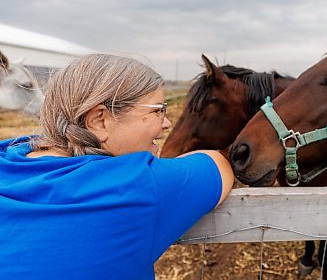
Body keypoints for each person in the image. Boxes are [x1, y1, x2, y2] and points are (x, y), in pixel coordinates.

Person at [0, 54, 234, 279]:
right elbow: (218, 163)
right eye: (157, 110)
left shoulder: (8, 154)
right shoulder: (135, 184)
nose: (167, 122)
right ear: (99, 120)